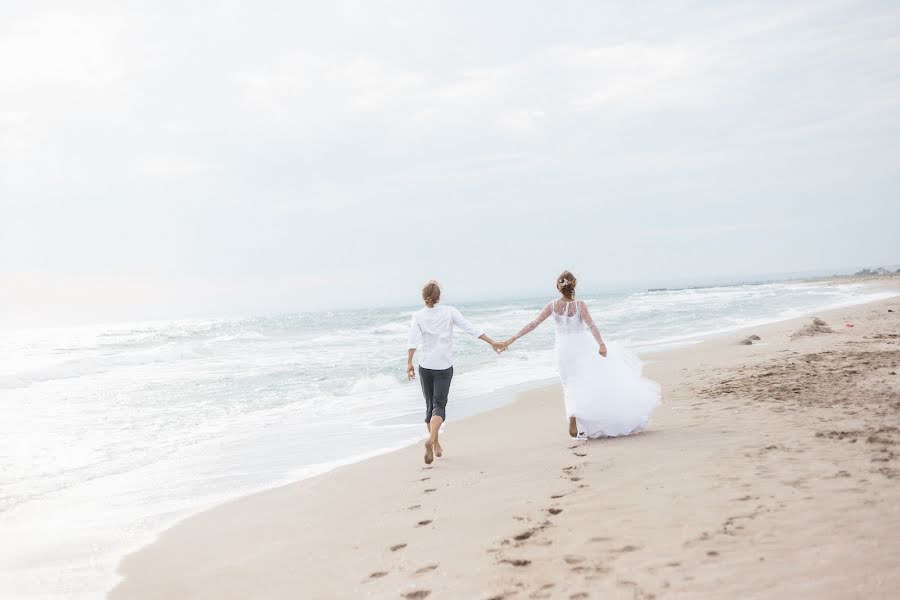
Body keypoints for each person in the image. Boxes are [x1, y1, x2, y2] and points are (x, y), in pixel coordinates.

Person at [500, 270, 660, 439]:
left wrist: (511, 339)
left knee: (568, 384)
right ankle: (584, 417)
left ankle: (573, 415)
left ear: (558, 287)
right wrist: (601, 345)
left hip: (563, 349)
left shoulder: (552, 305)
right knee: (585, 382)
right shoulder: (579, 305)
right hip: (582, 347)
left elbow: (533, 324)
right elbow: (591, 325)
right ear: (574, 285)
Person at [407, 280, 505, 464]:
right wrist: (492, 342)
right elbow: (470, 328)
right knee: (439, 405)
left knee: (429, 406)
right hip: (443, 366)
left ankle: (435, 443)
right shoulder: (450, 311)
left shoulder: (418, 315)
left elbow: (412, 340)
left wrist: (409, 363)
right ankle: (432, 442)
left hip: (425, 366)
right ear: (439, 296)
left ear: (424, 297)